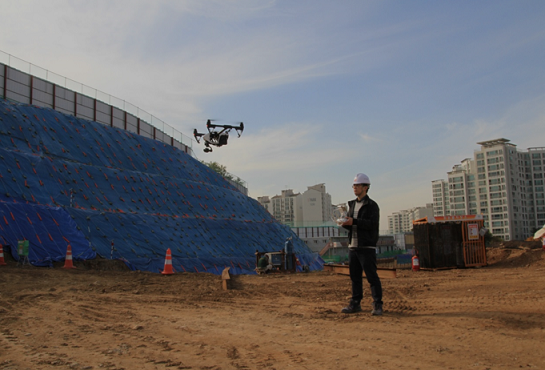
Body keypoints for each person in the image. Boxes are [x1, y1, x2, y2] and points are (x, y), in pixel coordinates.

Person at [340, 173, 383, 316]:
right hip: (353, 246)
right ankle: (355, 303)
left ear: (365, 187)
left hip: (366, 247)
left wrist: (354, 222)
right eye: (354, 185)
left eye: (357, 185)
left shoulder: (372, 206)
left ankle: (377, 304)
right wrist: (344, 224)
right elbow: (353, 225)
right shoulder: (352, 205)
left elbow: (372, 225)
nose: (354, 188)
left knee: (372, 277)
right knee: (355, 277)